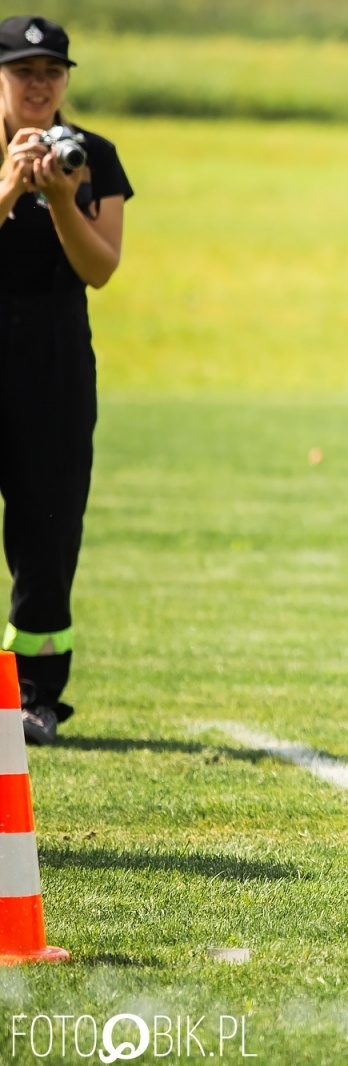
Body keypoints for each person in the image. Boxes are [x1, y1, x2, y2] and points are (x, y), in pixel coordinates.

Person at [0, 15, 132, 744]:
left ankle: (37, 697)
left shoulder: (93, 158)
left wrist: (57, 197)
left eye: (52, 71)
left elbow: (100, 268)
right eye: (24, 71)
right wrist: (9, 184)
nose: (40, 84)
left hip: (52, 353)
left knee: (47, 524)